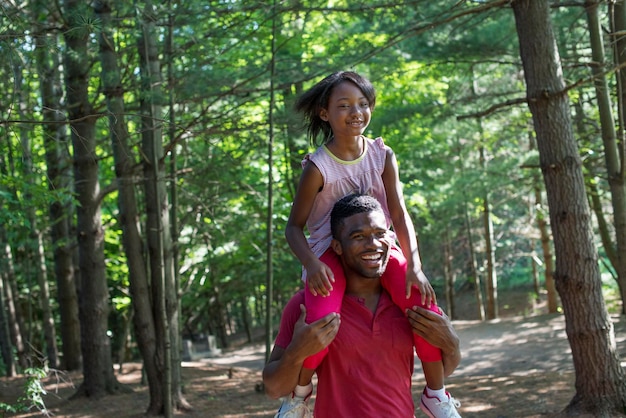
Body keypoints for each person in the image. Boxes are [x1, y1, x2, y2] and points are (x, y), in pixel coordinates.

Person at [281, 71, 454, 416]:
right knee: (321, 320)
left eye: (362, 103)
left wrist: (414, 265)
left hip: (378, 247)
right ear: (325, 113)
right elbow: (293, 228)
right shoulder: (318, 167)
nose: (355, 112)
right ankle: (298, 398)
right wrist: (312, 265)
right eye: (344, 105)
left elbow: (400, 214)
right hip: (330, 252)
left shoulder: (382, 155)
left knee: (423, 303)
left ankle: (436, 396)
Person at [264, 194, 462, 417]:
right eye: (358, 236)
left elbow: (442, 370)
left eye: (380, 234)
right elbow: (273, 388)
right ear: (337, 246)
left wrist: (452, 344)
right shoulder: (307, 306)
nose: (373, 245)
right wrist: (296, 352)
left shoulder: (409, 300)